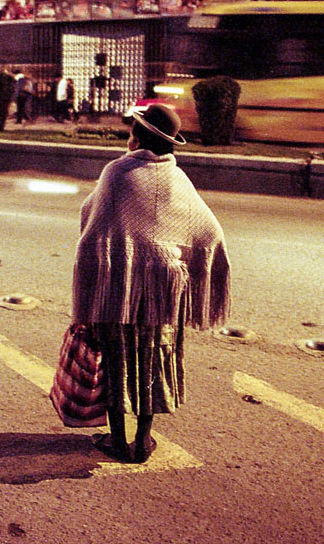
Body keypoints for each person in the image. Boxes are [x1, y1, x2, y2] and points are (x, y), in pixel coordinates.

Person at [70, 103, 231, 463]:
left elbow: (91, 219)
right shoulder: (179, 180)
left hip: (119, 284)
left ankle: (117, 438)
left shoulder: (117, 173)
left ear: (138, 138)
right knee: (154, 357)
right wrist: (195, 266)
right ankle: (143, 440)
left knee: (116, 357)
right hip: (165, 288)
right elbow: (210, 231)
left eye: (132, 132)